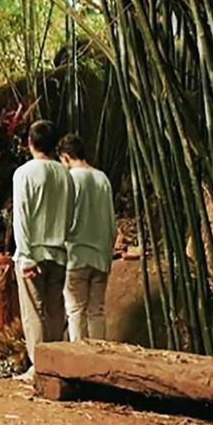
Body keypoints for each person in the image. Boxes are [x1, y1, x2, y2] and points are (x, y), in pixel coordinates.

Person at [12, 120, 74, 380]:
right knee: (54, 310)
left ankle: (39, 367)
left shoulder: (25, 173)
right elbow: (71, 213)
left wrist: (26, 256)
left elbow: (22, 217)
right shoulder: (65, 174)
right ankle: (54, 366)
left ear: (30, 142)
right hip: (59, 252)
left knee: (33, 313)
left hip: (33, 252)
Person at [58, 133, 116, 341]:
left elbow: (65, 218)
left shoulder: (71, 179)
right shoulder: (103, 178)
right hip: (101, 255)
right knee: (97, 311)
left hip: (77, 254)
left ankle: (78, 362)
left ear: (65, 157)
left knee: (75, 311)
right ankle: (99, 360)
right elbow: (111, 220)